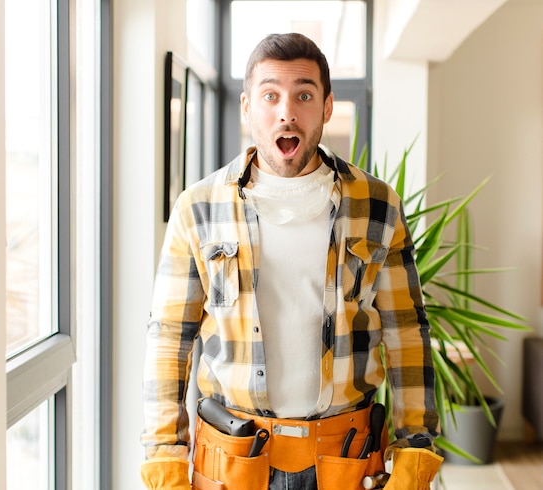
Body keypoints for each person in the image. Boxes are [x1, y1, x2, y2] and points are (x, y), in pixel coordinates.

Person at [141, 33, 443, 490]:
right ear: (247, 107)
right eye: (270, 95)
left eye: (304, 95)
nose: (287, 111)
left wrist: (416, 449)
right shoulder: (198, 208)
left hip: (347, 460)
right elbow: (169, 340)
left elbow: (406, 332)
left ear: (326, 108)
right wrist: (165, 457)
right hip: (232, 463)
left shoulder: (377, 204)